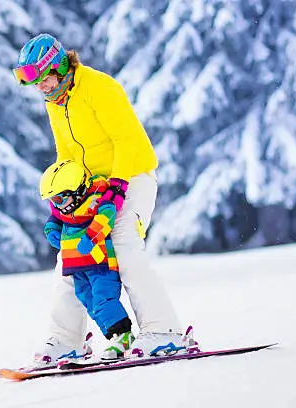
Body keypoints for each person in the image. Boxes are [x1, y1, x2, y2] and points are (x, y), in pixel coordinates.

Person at [13, 33, 185, 362]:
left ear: (59, 67)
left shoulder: (99, 87)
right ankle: (66, 340)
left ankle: (165, 332)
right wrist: (62, 205)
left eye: (41, 77)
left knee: (124, 246)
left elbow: (128, 140)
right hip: (91, 191)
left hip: (132, 177)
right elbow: (66, 156)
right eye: (30, 80)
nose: (39, 87)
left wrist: (118, 186)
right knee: (71, 256)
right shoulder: (55, 103)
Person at [38, 160, 135, 365]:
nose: (55, 205)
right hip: (77, 266)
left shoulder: (96, 200)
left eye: (57, 199)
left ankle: (123, 335)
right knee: (88, 300)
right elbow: (54, 219)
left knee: (103, 301)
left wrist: (91, 237)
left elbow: (106, 216)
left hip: (100, 264)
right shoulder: (64, 209)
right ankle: (111, 337)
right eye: (51, 201)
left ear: (75, 190)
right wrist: (51, 230)